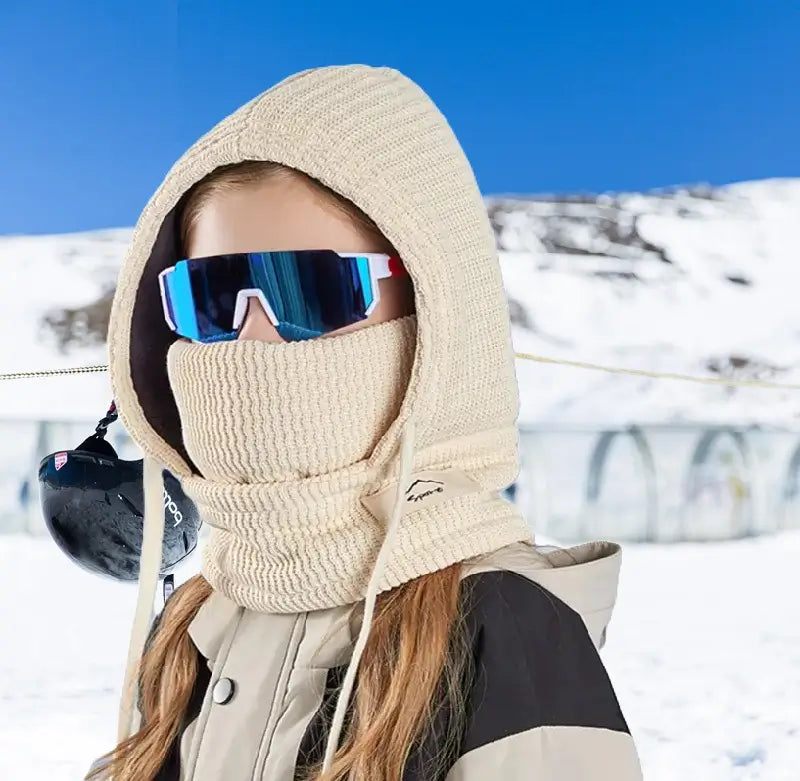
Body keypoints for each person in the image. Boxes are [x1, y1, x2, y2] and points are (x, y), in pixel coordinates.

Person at [93, 65, 643, 780]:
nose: (253, 342)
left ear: (432, 319)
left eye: (311, 290)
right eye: (212, 296)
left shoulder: (503, 626)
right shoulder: (197, 618)